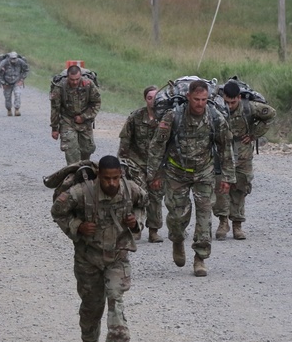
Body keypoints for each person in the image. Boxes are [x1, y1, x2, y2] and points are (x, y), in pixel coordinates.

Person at [51, 155, 146, 342]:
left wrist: (136, 222)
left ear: (120, 175)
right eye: (106, 179)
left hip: (118, 256)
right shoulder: (81, 192)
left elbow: (144, 204)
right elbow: (57, 211)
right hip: (88, 257)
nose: (111, 183)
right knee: (92, 305)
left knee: (115, 298)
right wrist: (77, 226)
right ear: (99, 177)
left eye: (115, 178)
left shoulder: (130, 189)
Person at [145, 79, 234, 277]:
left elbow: (225, 148)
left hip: (204, 172)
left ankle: (200, 258)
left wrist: (227, 177)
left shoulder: (215, 117)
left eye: (203, 99)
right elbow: (157, 146)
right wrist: (154, 174)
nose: (200, 103)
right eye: (196, 99)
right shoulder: (172, 116)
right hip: (177, 172)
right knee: (177, 217)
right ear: (188, 97)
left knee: (204, 214)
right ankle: (177, 240)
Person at [213, 80, 276, 241]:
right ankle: (223, 222)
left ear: (239, 98)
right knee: (221, 187)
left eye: (233, 102)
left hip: (243, 155)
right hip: (222, 154)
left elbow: (270, 114)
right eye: (227, 101)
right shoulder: (217, 107)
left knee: (240, 188)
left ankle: (237, 225)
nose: (230, 105)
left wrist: (254, 134)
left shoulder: (249, 107)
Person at [118, 85, 165, 243]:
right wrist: (122, 162)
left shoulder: (166, 117)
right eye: (150, 98)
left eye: (156, 98)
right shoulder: (136, 116)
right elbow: (125, 139)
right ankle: (136, 228)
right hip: (136, 162)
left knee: (156, 196)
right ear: (145, 99)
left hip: (158, 165)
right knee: (138, 194)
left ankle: (154, 230)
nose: (153, 101)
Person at [50, 65, 100, 164]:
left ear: (80, 76)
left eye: (77, 79)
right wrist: (55, 128)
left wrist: (84, 117)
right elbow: (55, 108)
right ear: (68, 77)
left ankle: (84, 169)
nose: (75, 82)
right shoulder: (60, 86)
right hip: (67, 120)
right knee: (71, 150)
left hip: (84, 121)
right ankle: (73, 173)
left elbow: (96, 102)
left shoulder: (88, 84)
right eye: (72, 80)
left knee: (87, 149)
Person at [0, 51, 29, 117]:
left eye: (15, 58)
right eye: (12, 58)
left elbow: (26, 70)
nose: (13, 60)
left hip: (17, 81)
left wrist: (22, 79)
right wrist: (3, 83)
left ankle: (17, 109)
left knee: (18, 94)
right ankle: (9, 110)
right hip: (7, 83)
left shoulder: (21, 62)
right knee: (7, 97)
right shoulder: (4, 63)